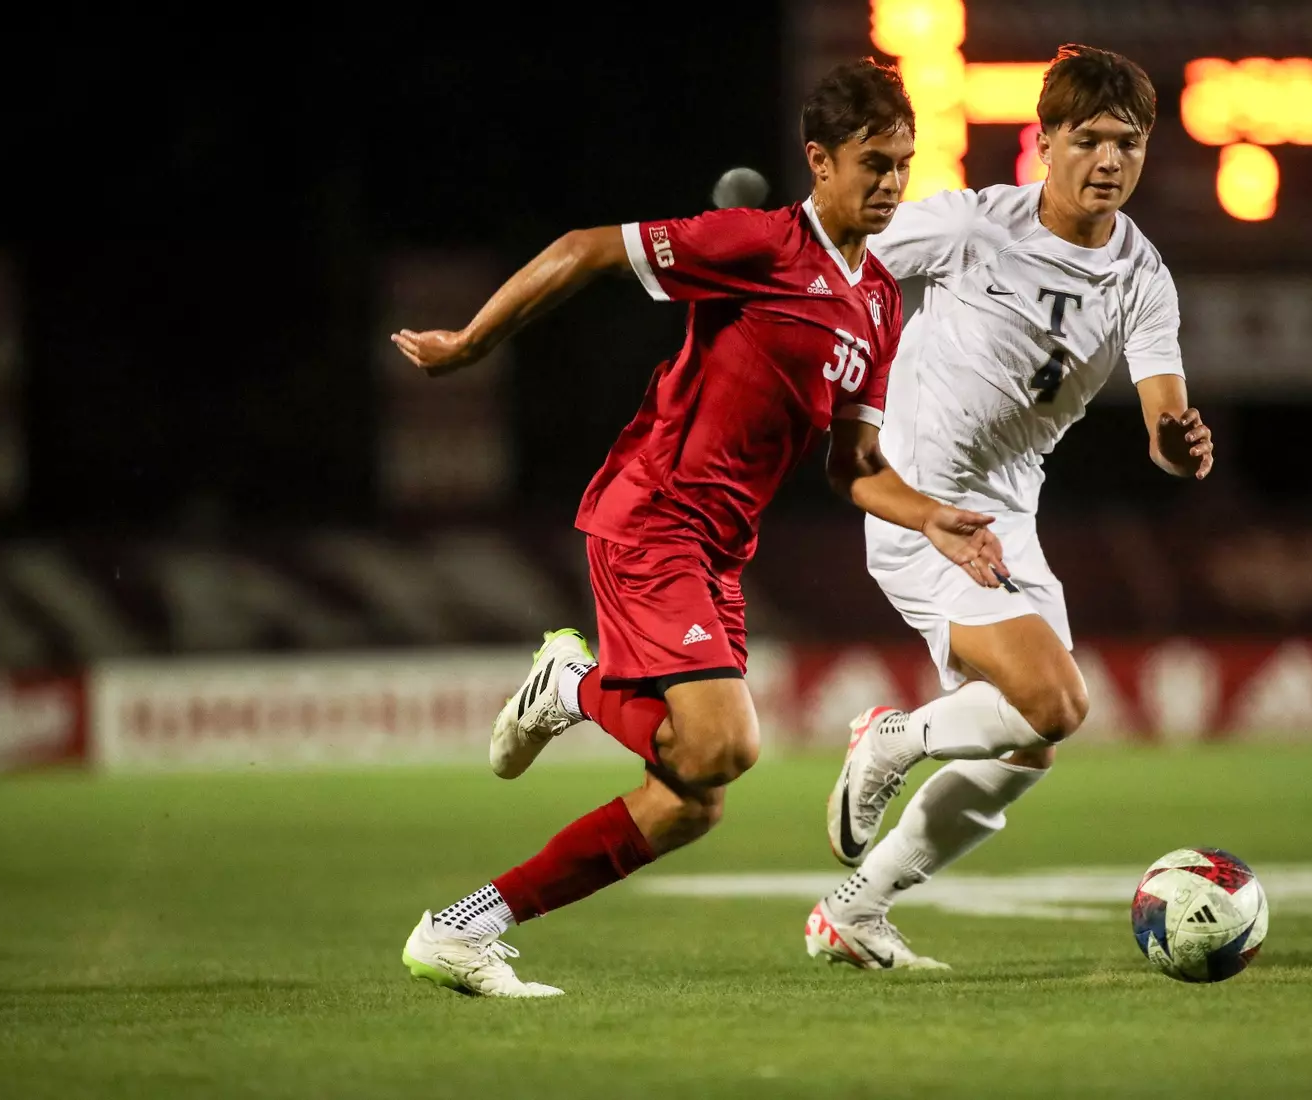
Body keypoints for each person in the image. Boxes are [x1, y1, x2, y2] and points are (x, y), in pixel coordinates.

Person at [387, 58, 1012, 997]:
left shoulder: (880, 303)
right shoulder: (757, 245)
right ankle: (573, 678)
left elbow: (853, 467)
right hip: (652, 513)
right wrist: (472, 344)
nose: (891, 183)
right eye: (873, 162)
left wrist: (935, 521)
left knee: (692, 804)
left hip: (718, 549)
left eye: (903, 164)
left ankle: (462, 930)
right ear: (820, 160)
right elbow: (584, 246)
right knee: (726, 745)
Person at [805, 44, 1216, 970]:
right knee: (1055, 700)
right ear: (1044, 142)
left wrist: (1179, 446)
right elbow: (842, 250)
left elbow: (1162, 410)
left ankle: (856, 911)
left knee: (1027, 748)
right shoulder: (974, 227)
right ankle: (893, 737)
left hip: (1009, 519)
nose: (1110, 162)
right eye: (1090, 140)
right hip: (922, 512)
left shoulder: (1143, 277)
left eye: (1129, 144)